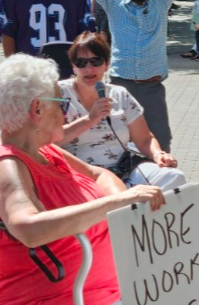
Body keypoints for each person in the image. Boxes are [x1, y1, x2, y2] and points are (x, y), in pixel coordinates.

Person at [0, 54, 167, 305]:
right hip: (52, 298)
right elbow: (27, 227)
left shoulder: (42, 148)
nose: (65, 110)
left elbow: (100, 174)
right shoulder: (7, 162)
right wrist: (113, 204)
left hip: (90, 289)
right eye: (59, 102)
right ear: (37, 110)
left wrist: (122, 205)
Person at [82, 0, 189, 153]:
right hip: (121, 87)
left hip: (152, 88)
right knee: (119, 143)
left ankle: (160, 180)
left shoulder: (161, 3)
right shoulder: (113, 4)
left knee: (161, 143)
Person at [58, 32, 186, 191]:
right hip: (83, 173)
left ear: (106, 64)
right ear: (73, 66)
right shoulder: (59, 94)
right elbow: (48, 140)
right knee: (118, 196)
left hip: (123, 168)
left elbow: (145, 139)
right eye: (81, 62)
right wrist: (90, 119)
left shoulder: (120, 94)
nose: (88, 69)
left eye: (95, 61)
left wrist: (159, 155)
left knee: (174, 177)